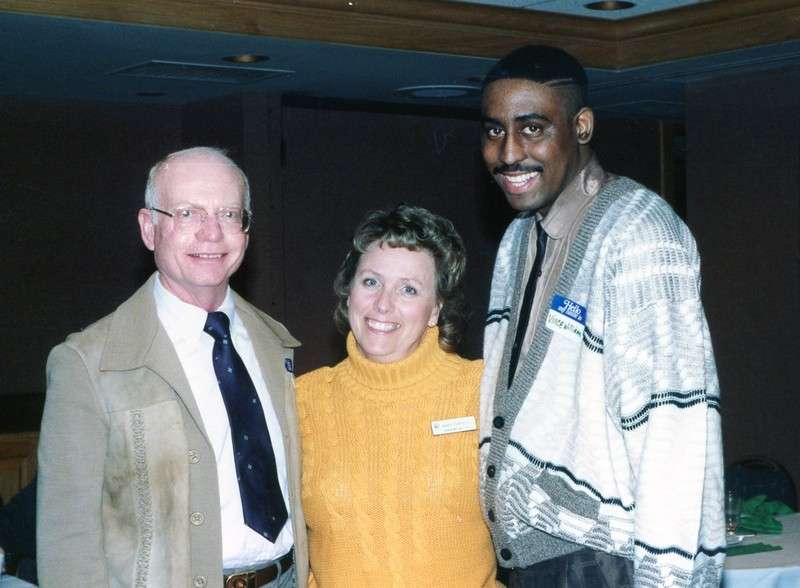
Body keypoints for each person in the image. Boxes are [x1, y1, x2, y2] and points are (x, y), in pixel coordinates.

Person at [478, 46, 725, 586]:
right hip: (533, 561)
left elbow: (675, 430)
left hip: (603, 564)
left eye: (532, 128)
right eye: (495, 131)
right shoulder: (518, 239)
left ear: (582, 126)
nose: (509, 153)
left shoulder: (640, 236)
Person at [37, 147, 307, 587]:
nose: (211, 233)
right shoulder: (88, 363)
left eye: (228, 214)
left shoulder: (276, 344)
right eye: (187, 213)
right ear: (149, 228)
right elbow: (67, 542)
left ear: (245, 230)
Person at [296, 204, 497, 586]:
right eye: (371, 282)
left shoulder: (482, 390)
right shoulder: (303, 400)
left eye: (409, 289)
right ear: (349, 292)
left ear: (436, 309)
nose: (383, 304)